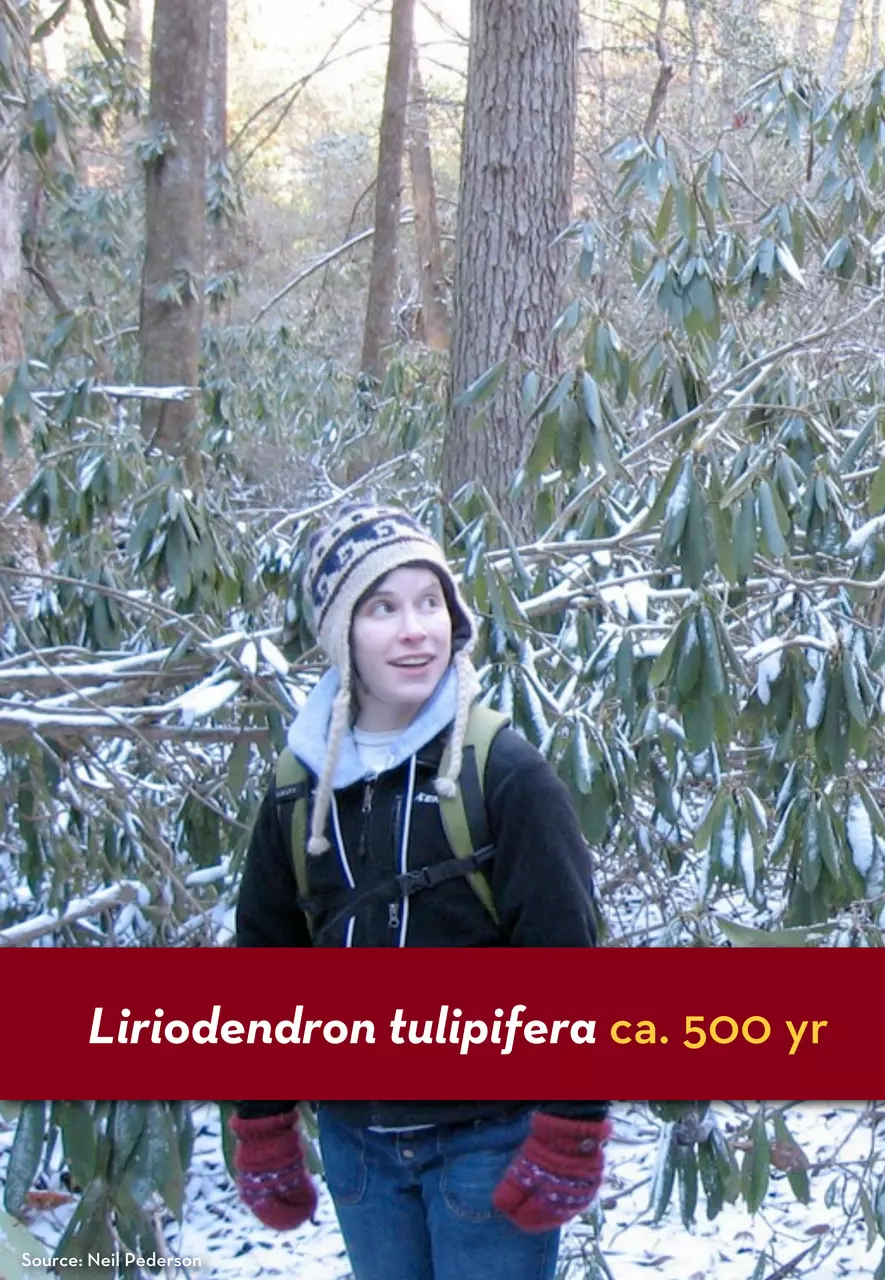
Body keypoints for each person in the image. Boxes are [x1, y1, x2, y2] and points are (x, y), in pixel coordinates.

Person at [230, 502, 609, 1279]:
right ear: (341, 635)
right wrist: (263, 1118)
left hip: (487, 1140)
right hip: (358, 1145)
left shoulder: (503, 773)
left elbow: (570, 962)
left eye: (430, 603)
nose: (415, 630)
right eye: (383, 607)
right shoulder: (301, 785)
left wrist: (570, 1125)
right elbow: (265, 961)